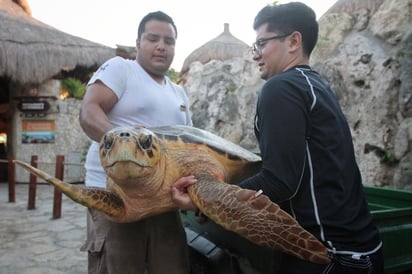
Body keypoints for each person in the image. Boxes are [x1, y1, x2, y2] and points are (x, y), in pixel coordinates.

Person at [172, 2, 384, 274]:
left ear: (294, 41)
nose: (255, 55)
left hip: (326, 255)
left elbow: (280, 181)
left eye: (261, 43)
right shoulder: (315, 85)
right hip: (362, 249)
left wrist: (208, 200)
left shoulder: (281, 88)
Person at [79, 11, 192, 274]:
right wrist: (120, 138)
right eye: (153, 38)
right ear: (138, 42)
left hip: (163, 201)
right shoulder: (121, 69)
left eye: (169, 41)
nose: (161, 45)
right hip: (117, 198)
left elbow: (186, 147)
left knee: (173, 267)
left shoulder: (179, 93)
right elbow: (89, 111)